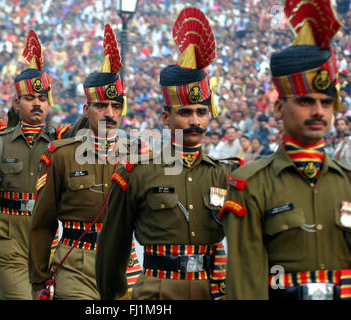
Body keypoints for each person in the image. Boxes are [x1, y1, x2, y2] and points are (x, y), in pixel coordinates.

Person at [95, 8, 233, 300]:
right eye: (185, 112)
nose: (195, 121)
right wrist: (112, 296)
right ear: (165, 117)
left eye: (201, 112)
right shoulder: (137, 173)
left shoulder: (225, 175)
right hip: (157, 291)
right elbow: (113, 245)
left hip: (212, 291)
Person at [220, 1, 351, 300]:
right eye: (305, 101)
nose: (318, 111)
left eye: (326, 102)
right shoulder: (250, 185)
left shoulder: (348, 182)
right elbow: (246, 284)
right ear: (279, 107)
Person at [29, 24, 142, 300]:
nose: (109, 113)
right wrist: (38, 280)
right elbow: (43, 222)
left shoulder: (138, 157)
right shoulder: (61, 155)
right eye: (101, 106)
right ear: (86, 110)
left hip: (123, 266)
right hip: (75, 264)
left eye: (116, 107)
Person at [0, 30, 66, 300]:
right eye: (31, 98)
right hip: (8, 235)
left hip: (47, 235)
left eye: (42, 99)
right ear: (17, 103)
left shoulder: (59, 144)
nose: (38, 104)